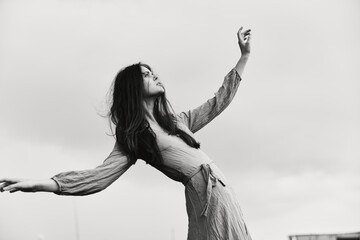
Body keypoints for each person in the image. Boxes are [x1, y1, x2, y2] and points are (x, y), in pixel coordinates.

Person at [0, 26, 252, 240]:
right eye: (145, 74)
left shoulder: (177, 121)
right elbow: (98, 177)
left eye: (152, 72)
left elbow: (218, 102)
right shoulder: (134, 138)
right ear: (133, 87)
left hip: (225, 193)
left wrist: (243, 56)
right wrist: (41, 184)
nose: (154, 76)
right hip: (207, 202)